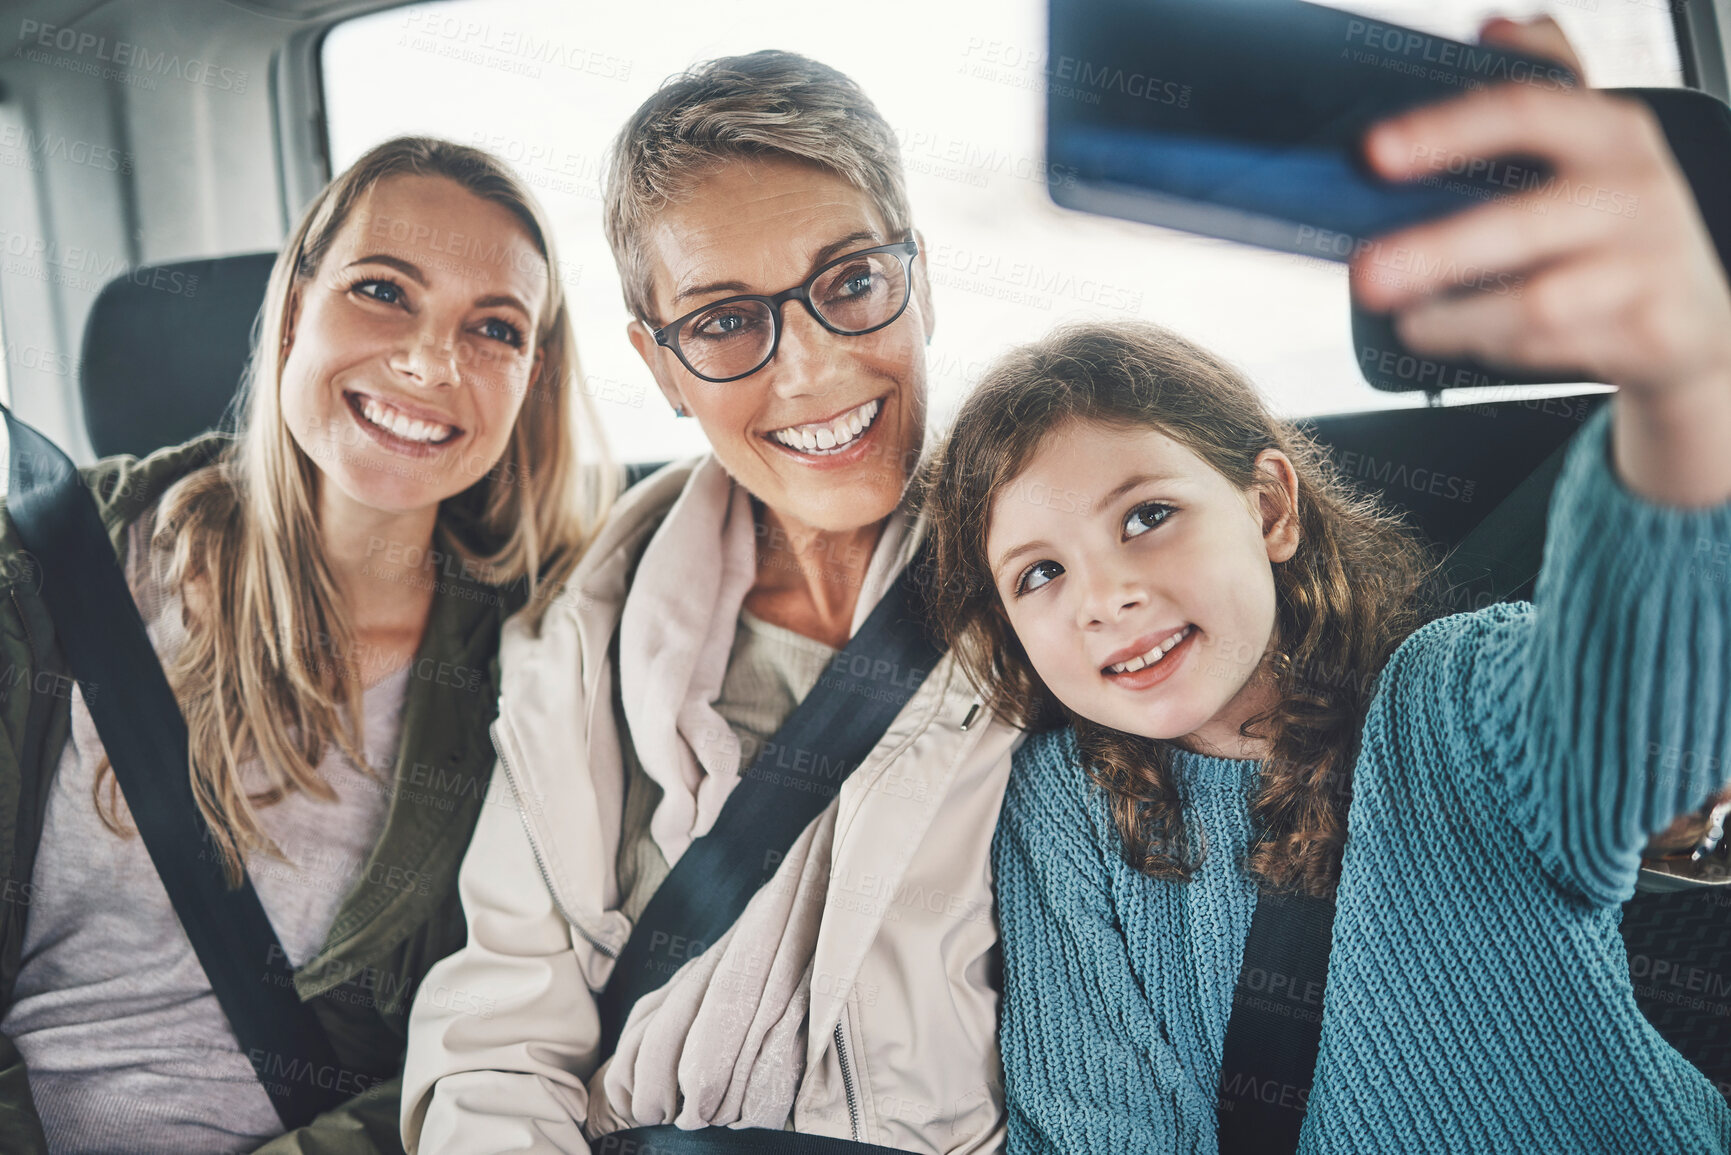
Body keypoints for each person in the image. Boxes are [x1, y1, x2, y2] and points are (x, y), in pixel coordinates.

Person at [923, 19, 1731, 1154]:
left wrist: (1685, 398)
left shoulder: (1448, 703)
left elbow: (1645, 702)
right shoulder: (1066, 815)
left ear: (1269, 508)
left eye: (1148, 516)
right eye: (1040, 573)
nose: (1104, 594)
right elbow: (1099, 1128)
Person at [401, 51, 1022, 1154]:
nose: (813, 371)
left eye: (851, 284)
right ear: (662, 370)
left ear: (919, 280)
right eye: (727, 321)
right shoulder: (579, 646)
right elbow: (500, 1047)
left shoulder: (1059, 595)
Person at [0, 136, 609, 1154]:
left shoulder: (549, 655)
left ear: (529, 379)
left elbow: (524, 1041)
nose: (429, 362)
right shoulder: (56, 564)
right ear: (293, 313)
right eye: (383, 290)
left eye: (493, 328)